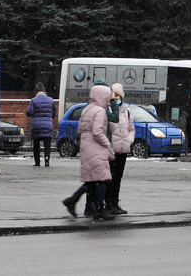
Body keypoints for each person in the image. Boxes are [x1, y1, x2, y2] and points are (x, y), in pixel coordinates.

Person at [62, 84, 115, 221]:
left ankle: (72, 200)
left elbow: (79, 129)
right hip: (96, 147)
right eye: (107, 97)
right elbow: (97, 131)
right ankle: (99, 209)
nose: (109, 100)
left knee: (92, 181)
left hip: (86, 147)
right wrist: (107, 144)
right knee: (102, 179)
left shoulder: (87, 109)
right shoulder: (100, 111)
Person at [106, 83, 134, 215]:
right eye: (114, 95)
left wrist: (129, 139)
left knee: (118, 178)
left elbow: (131, 129)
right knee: (110, 178)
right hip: (112, 150)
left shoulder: (127, 112)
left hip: (123, 149)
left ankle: (115, 203)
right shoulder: (109, 111)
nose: (117, 97)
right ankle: (109, 204)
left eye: (119, 95)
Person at [26, 83, 55, 167]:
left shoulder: (33, 100)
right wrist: (49, 118)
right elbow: (54, 113)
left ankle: (37, 162)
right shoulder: (50, 100)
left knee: (36, 145)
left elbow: (29, 112)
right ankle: (46, 159)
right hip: (48, 125)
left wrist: (28, 114)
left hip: (36, 126)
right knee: (47, 145)